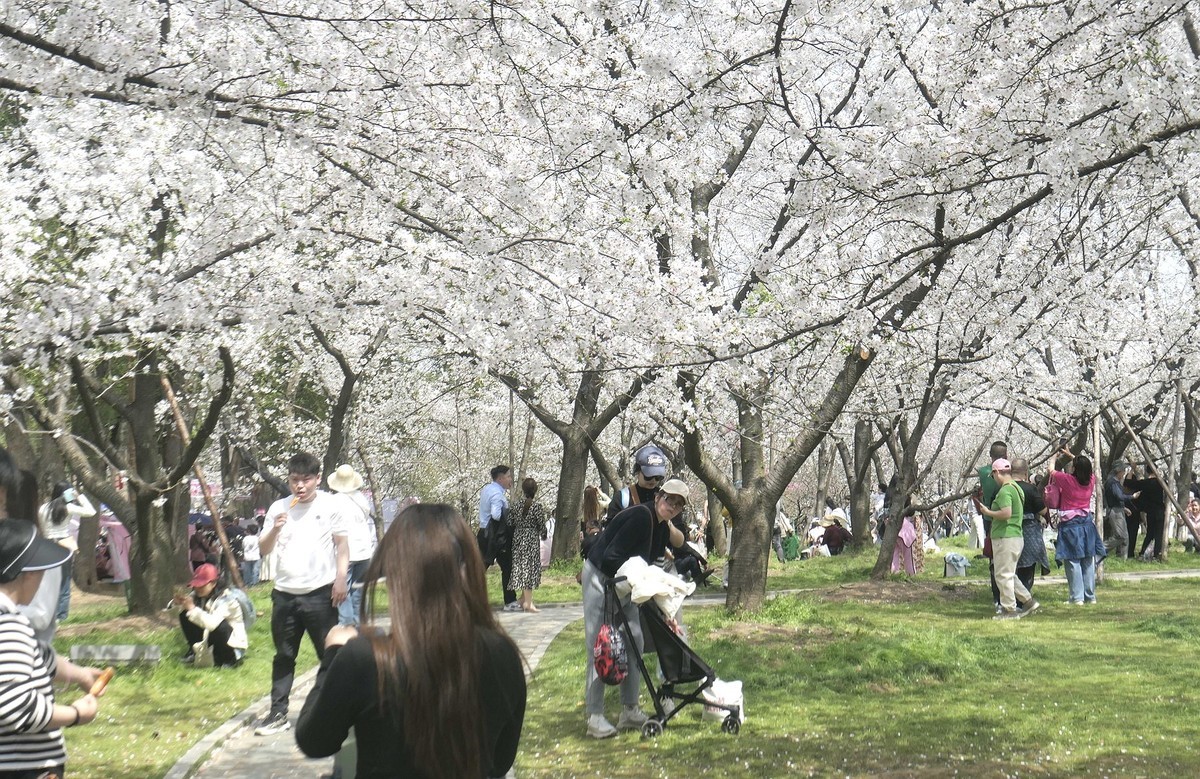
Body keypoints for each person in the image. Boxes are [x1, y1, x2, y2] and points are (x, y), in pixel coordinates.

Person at [295, 504, 525, 779]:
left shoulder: (365, 659)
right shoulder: (502, 654)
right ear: (468, 567)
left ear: (395, 573)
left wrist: (332, 654)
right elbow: (500, 761)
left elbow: (314, 740)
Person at [581, 478, 687, 739]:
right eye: (668, 499)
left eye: (677, 505)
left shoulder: (661, 527)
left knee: (634, 641)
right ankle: (595, 716)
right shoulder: (640, 516)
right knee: (601, 645)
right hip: (600, 579)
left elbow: (650, 570)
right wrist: (635, 585)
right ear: (659, 495)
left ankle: (630, 710)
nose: (671, 506)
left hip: (624, 583)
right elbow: (610, 558)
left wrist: (665, 613)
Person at [0, 518, 105, 778]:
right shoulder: (9, 626)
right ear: (30, 573)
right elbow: (16, 707)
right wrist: (76, 714)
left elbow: (39, 656)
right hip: (23, 768)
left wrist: (79, 674)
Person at [254, 452, 350, 736]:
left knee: (329, 654)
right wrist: (274, 529)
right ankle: (278, 713)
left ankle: (336, 713)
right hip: (284, 594)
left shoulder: (331, 505)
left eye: (306, 480)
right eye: (295, 480)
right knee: (284, 655)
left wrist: (341, 579)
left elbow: (342, 545)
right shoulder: (278, 508)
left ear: (317, 479)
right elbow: (263, 549)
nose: (300, 486)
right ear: (289, 480)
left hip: (320, 593)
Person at [976, 458, 1038, 620]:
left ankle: (1009, 610)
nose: (993, 479)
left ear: (997, 472)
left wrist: (988, 512)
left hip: (1005, 536)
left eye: (993, 476)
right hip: (1015, 536)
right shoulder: (1017, 488)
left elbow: (1006, 513)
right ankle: (1028, 601)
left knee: (1003, 576)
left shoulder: (1005, 491)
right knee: (1008, 574)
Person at [1048, 447, 1104, 605]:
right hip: (1087, 524)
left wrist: (1054, 456)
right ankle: (1090, 596)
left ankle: (1076, 597)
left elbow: (1051, 470)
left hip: (1070, 525)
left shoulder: (1067, 480)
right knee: (1087, 559)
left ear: (1074, 468)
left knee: (1073, 561)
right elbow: (1086, 468)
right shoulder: (1091, 479)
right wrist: (1073, 456)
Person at [37, 482, 95, 623]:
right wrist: (79, 496)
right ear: (65, 493)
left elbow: (42, 528)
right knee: (64, 581)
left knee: (48, 582)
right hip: (64, 544)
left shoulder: (42, 508)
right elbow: (91, 511)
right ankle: (61, 616)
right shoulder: (68, 507)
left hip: (47, 545)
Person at [327, 464, 377, 627]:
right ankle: (360, 627)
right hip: (364, 551)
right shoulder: (362, 499)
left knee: (343, 593)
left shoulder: (333, 501)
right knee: (359, 593)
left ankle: (346, 625)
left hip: (345, 552)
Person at [175, 562, 248, 667]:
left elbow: (211, 624)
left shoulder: (227, 599)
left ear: (214, 583)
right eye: (196, 585)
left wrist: (192, 608)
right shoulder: (199, 594)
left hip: (232, 644)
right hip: (212, 638)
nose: (197, 588)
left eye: (202, 585)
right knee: (184, 614)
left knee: (220, 625)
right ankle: (194, 650)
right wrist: (178, 603)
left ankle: (229, 659)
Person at [477, 465, 518, 612]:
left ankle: (468, 599)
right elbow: (496, 515)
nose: (510, 479)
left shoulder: (487, 489)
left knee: (480, 567)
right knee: (507, 567)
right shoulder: (497, 494)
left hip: (484, 533)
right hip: (495, 535)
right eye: (508, 476)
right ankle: (510, 601)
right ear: (500, 478)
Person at [507, 477, 547, 613]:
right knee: (529, 570)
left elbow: (509, 522)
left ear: (523, 490)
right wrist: (544, 534)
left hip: (518, 538)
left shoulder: (516, 506)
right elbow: (542, 525)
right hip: (531, 540)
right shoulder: (536, 507)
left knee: (522, 568)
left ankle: (523, 599)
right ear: (535, 490)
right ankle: (528, 604)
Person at [1012, 459, 1050, 597]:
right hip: (1029, 530)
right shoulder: (1030, 489)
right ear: (1026, 472)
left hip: (1008, 530)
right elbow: (1042, 510)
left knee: (1011, 567)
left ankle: (1011, 598)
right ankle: (1025, 595)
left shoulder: (1005, 488)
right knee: (1028, 565)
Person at [605, 444, 670, 522]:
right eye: (648, 476)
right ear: (638, 472)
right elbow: (610, 529)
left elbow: (680, 531)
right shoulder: (622, 498)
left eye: (658, 477)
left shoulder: (667, 499)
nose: (653, 480)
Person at [1128, 463, 1167, 560]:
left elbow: (1128, 483)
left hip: (1151, 512)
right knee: (1159, 534)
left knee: (1150, 533)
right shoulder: (1162, 483)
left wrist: (1132, 469)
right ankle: (1156, 555)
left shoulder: (1145, 483)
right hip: (1160, 510)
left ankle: (1142, 552)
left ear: (1147, 471)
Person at [1102, 461, 1138, 559]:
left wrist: (1124, 508)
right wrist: (1132, 496)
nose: (1124, 473)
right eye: (1123, 470)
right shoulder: (1112, 483)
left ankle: (1122, 559)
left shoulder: (1115, 483)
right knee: (1120, 536)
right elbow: (1119, 496)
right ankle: (1101, 548)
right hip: (1115, 512)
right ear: (1118, 471)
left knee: (1125, 537)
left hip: (1119, 510)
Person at [580, 485, 605, 559]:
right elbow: (610, 502)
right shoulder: (599, 505)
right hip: (597, 531)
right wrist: (601, 493)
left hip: (586, 533)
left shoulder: (581, 507)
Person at [240, 523, 261, 587]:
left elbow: (243, 546)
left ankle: (247, 583)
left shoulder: (245, 538)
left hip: (247, 556)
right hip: (256, 556)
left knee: (247, 571)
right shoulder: (258, 538)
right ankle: (255, 583)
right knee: (255, 571)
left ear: (248, 531)